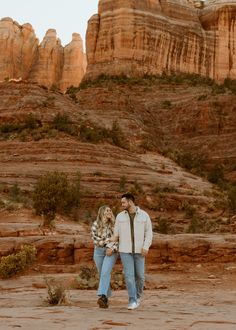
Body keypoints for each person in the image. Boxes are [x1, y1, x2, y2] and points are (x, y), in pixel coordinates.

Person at [114, 192, 153, 310]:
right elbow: (116, 234)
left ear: (130, 202)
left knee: (140, 276)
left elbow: (149, 233)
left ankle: (137, 296)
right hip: (125, 251)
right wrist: (110, 245)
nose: (122, 205)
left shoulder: (144, 215)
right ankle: (132, 300)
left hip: (139, 251)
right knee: (129, 276)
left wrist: (146, 246)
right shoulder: (120, 216)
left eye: (123, 202)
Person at [91, 205, 118, 308]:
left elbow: (119, 239)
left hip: (111, 251)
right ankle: (106, 298)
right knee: (102, 274)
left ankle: (102, 296)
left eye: (110, 210)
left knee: (105, 272)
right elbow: (95, 240)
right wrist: (109, 241)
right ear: (102, 212)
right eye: (107, 210)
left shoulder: (115, 225)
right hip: (98, 252)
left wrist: (112, 248)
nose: (109, 212)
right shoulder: (95, 224)